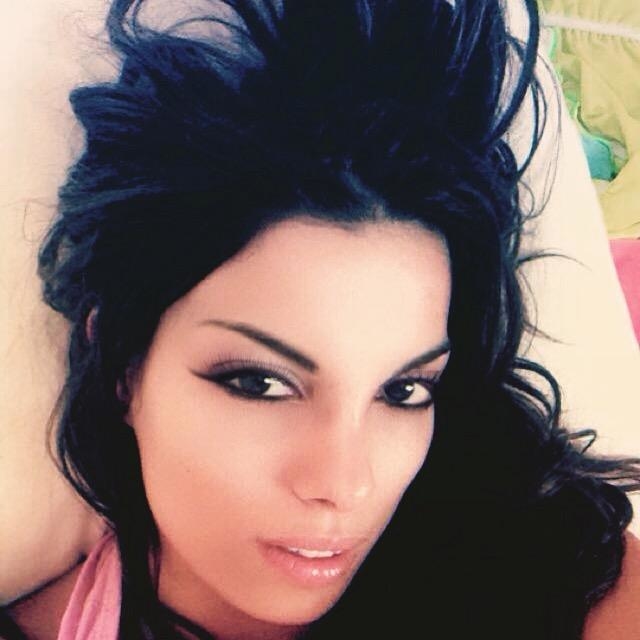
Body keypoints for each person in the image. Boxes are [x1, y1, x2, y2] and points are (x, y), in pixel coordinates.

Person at [3, 0, 640, 638]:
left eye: (404, 391)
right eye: (260, 383)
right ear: (122, 365)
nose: (343, 485)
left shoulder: (557, 574)